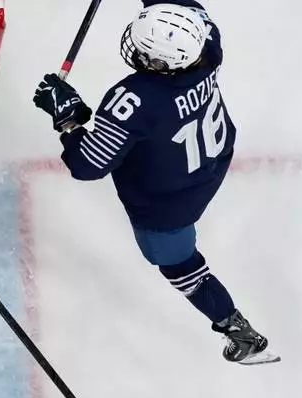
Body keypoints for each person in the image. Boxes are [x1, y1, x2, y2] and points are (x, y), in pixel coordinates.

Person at [33, 1, 276, 365]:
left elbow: (88, 164)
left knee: (176, 263)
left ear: (161, 63)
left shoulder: (135, 99)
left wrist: (68, 120)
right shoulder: (206, 43)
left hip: (166, 205)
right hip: (211, 163)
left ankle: (236, 329)